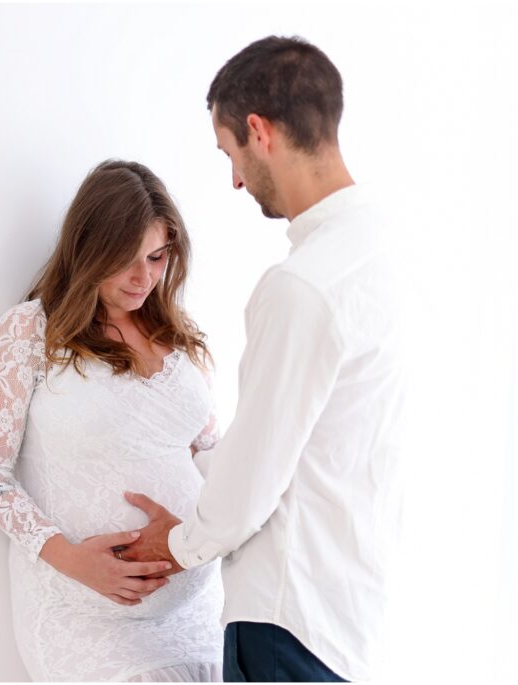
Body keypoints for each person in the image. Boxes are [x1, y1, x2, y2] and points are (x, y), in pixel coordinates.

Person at [118, 36, 405, 682]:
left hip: (285, 618)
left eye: (231, 154)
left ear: (259, 130)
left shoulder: (303, 285)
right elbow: (314, 444)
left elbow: (250, 488)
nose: (236, 180)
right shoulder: (381, 256)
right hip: (347, 618)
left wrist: (175, 541)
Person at [0, 159, 224, 682]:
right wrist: (71, 558)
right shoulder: (29, 333)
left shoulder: (176, 333)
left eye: (156, 257)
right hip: (82, 618)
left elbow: (209, 454)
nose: (143, 278)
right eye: (125, 260)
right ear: (88, 248)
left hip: (195, 614)